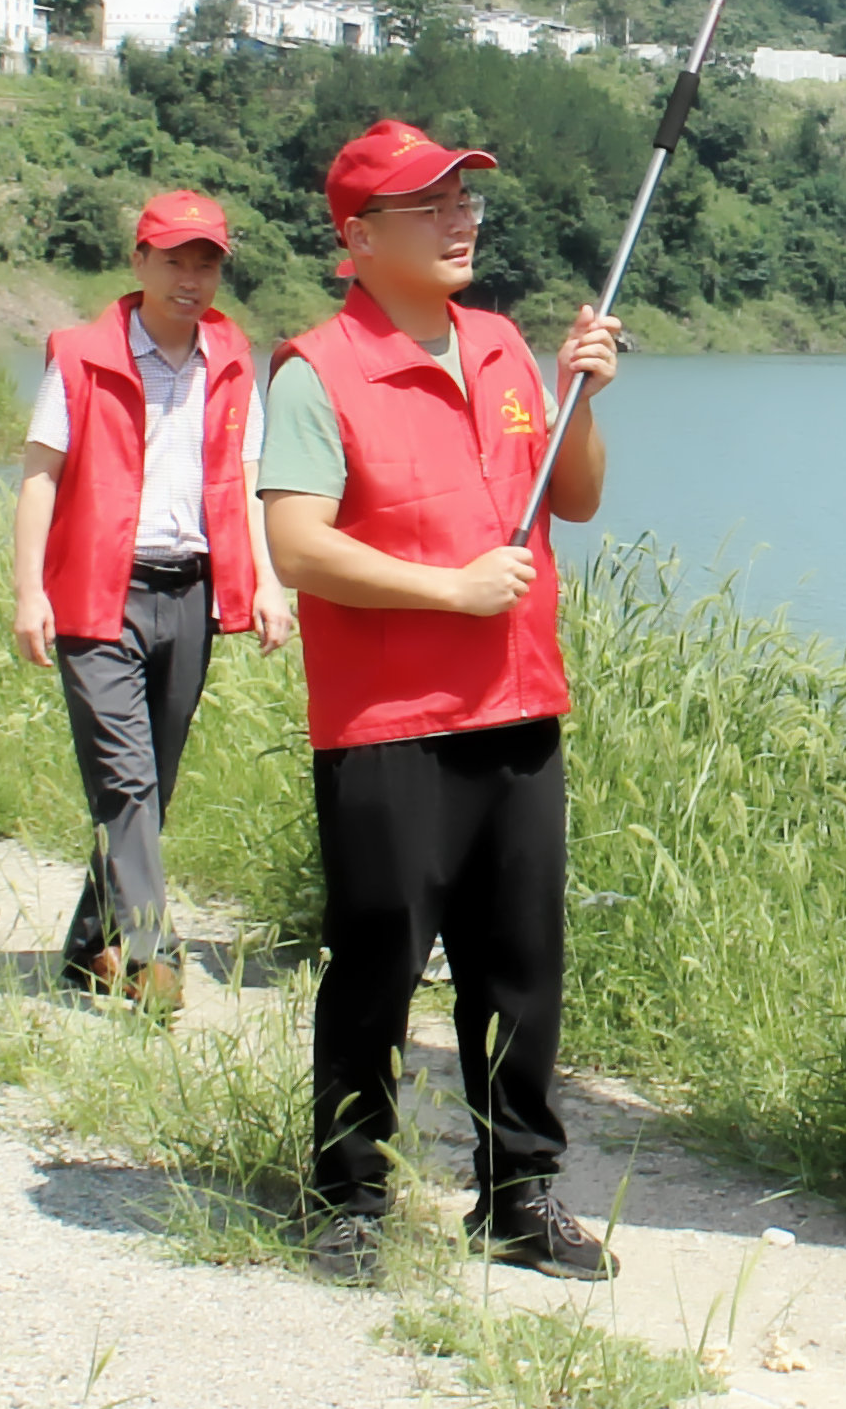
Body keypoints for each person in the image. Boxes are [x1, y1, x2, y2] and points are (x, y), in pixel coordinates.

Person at [260, 119, 622, 1285]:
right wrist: (448, 589)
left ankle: (517, 1194)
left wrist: (580, 394)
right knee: (377, 957)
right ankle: (350, 1192)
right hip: (389, 719)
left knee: (519, 964)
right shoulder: (319, 368)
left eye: (467, 199)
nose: (461, 220)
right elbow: (298, 547)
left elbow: (574, 494)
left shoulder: (507, 345)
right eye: (431, 206)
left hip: (516, 704)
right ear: (358, 238)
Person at [13, 190, 295, 1014]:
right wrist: (29, 589)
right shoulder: (81, 354)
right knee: (127, 777)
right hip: (98, 591)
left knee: (150, 781)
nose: (191, 277)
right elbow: (39, 473)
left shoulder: (232, 357)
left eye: (206, 261)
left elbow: (244, 476)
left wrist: (269, 580)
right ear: (138, 261)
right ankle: (150, 949)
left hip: (191, 589)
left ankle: (82, 948)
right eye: (174, 259)